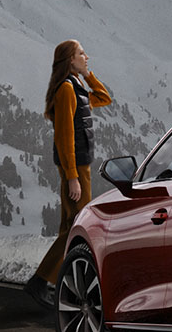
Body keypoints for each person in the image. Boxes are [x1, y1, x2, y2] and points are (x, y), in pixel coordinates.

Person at [24, 40, 112, 309]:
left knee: (69, 227)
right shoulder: (66, 90)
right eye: (81, 54)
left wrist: (88, 75)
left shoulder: (77, 87)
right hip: (76, 169)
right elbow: (65, 137)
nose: (87, 57)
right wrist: (72, 177)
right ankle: (41, 281)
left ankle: (54, 283)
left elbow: (105, 97)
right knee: (78, 227)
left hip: (79, 167)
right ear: (69, 60)